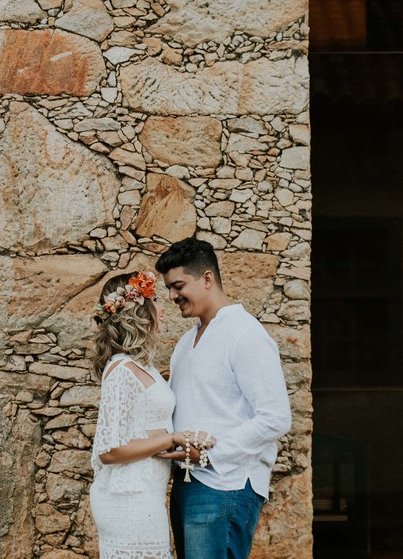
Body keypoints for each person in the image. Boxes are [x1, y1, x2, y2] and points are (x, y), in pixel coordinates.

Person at [154, 238, 292, 559]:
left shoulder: (246, 334)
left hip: (226, 485)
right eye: (169, 289)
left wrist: (209, 456)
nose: (172, 296)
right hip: (188, 482)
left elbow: (275, 417)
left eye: (178, 286)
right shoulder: (187, 341)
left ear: (206, 278)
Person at [88, 270, 212, 559]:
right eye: (154, 299)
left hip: (145, 496)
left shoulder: (143, 367)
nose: (162, 306)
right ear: (137, 310)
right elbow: (109, 450)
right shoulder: (121, 370)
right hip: (127, 498)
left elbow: (145, 427)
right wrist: (172, 437)